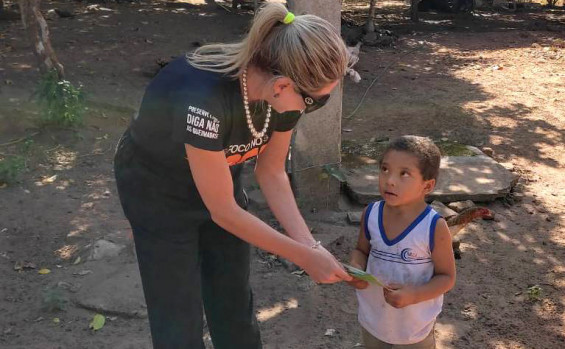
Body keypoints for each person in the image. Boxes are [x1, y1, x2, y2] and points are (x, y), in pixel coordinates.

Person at [113, 3, 354, 348]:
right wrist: (302, 257)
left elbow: (271, 172)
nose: (312, 109)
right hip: (157, 192)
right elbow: (224, 211)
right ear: (282, 85)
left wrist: (310, 244)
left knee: (233, 298)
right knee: (177, 313)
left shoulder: (282, 97)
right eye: (314, 102)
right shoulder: (202, 98)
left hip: (219, 184)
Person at [348, 136, 456, 349]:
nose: (389, 180)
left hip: (413, 329)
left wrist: (414, 295)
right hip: (373, 319)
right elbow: (361, 250)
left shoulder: (433, 227)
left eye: (404, 174)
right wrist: (356, 268)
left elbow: (447, 278)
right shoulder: (371, 214)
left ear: (427, 185)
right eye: (385, 169)